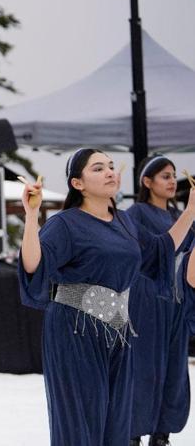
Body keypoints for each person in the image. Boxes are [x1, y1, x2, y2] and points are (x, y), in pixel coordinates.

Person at [18, 148, 195, 446]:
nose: (110, 172)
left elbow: (160, 251)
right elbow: (34, 266)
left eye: (111, 166)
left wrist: (190, 211)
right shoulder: (66, 223)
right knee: (82, 419)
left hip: (118, 330)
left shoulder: (124, 221)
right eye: (98, 168)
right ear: (78, 183)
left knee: (116, 423)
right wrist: (32, 215)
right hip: (75, 329)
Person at [127, 156, 194, 446]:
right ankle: (132, 432)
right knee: (143, 366)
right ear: (147, 181)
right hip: (146, 300)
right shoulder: (136, 214)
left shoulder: (178, 214)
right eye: (164, 176)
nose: (171, 181)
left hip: (176, 300)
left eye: (173, 176)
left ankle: (162, 433)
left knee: (175, 367)